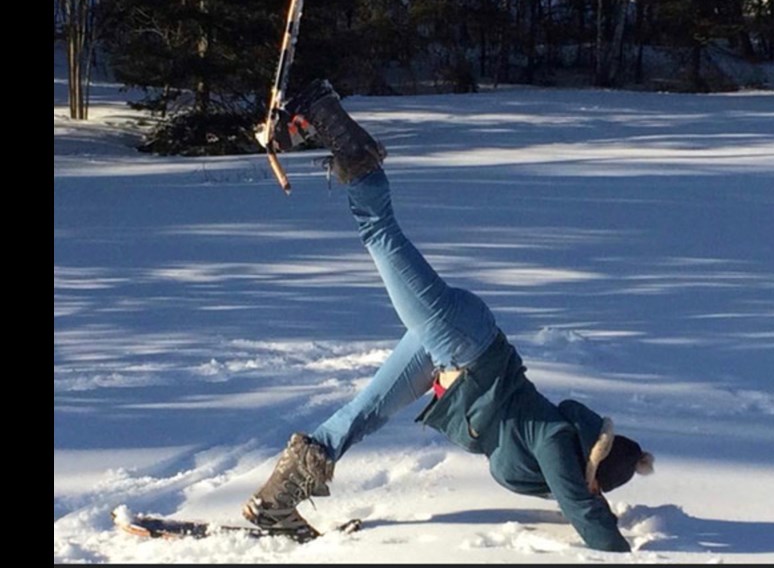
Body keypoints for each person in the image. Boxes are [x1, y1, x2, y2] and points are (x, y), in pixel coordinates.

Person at [242, 80, 654, 552]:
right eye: (597, 486)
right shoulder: (558, 441)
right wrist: (626, 550)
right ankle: (332, 122)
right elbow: (585, 512)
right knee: (379, 232)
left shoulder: (555, 445)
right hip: (465, 342)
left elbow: (572, 495)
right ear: (594, 474)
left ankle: (280, 497)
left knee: (368, 411)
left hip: (460, 352)